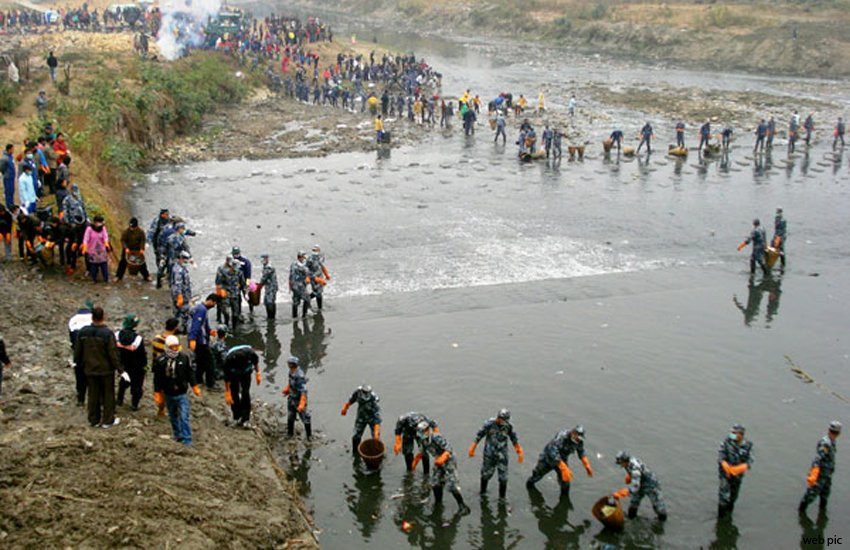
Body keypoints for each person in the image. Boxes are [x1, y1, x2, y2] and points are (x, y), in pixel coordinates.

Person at [73, 306, 127, 428]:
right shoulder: (107, 333)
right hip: (106, 370)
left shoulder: (83, 332)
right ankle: (108, 420)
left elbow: (78, 351)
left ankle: (94, 419)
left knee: (92, 395)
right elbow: (113, 354)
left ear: (92, 317)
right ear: (103, 317)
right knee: (108, 395)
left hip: (90, 369)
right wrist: (120, 370)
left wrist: (77, 363)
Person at [152, 335, 200, 446]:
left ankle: (187, 439)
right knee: (173, 416)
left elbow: (190, 373)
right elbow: (157, 378)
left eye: (176, 346)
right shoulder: (161, 361)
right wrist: (157, 392)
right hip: (168, 393)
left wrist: (194, 386)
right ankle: (178, 435)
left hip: (182, 392)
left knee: (184, 416)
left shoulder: (183, 358)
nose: (174, 349)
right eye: (172, 347)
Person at [468, 408, 524, 498]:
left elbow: (514, 438)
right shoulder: (489, 424)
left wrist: (519, 451)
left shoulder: (508, 426)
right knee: (485, 474)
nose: (503, 421)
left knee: (503, 478)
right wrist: (472, 448)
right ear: (498, 417)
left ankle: (502, 498)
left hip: (502, 455)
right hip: (489, 454)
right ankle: (483, 492)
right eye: (502, 419)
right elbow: (479, 436)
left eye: (505, 420)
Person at [526, 425, 593, 499]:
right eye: (577, 438)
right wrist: (563, 468)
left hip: (562, 460)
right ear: (573, 433)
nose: (578, 441)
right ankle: (529, 490)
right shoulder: (562, 436)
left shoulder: (579, 442)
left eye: (579, 439)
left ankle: (564, 500)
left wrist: (586, 465)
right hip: (548, 459)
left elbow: (581, 451)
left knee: (566, 481)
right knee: (537, 475)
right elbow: (552, 451)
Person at [420, 433, 470, 514]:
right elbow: (421, 453)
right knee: (435, 482)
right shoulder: (422, 441)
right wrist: (414, 465)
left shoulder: (436, 437)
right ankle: (438, 503)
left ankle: (462, 506)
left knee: (451, 484)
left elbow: (449, 450)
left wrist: (443, 458)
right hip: (439, 461)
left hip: (448, 460)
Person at [799, 421, 841, 514]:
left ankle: (822, 513)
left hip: (827, 475)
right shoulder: (826, 443)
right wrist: (813, 474)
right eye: (832, 431)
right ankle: (801, 512)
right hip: (820, 475)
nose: (833, 434)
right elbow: (817, 459)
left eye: (834, 432)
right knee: (811, 495)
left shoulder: (832, 442)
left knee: (825, 495)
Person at [611, 451, 668, 521]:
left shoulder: (635, 470)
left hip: (651, 486)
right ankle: (631, 517)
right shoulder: (630, 460)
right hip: (640, 482)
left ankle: (662, 521)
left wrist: (622, 493)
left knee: (658, 506)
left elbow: (635, 488)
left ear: (625, 461)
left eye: (621, 463)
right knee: (634, 503)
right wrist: (629, 475)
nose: (620, 465)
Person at [717, 423, 753, 517]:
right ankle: (721, 516)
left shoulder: (748, 445)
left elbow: (750, 460)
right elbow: (721, 456)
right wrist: (725, 465)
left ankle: (729, 512)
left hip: (737, 475)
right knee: (723, 495)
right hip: (725, 474)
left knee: (734, 496)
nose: (731, 434)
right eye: (731, 432)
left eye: (734, 433)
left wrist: (741, 468)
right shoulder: (726, 442)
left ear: (740, 434)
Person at [223, 344, 260, 427]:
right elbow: (226, 377)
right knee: (234, 394)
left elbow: (255, 361)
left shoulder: (250, 353)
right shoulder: (229, 360)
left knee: (245, 393)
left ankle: (246, 418)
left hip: (246, 373)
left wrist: (258, 373)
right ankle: (236, 417)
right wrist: (227, 392)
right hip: (234, 374)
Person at [115, 314, 146, 410]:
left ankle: (119, 400)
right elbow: (142, 355)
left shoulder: (117, 335)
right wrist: (145, 366)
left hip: (123, 364)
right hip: (136, 366)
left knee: (123, 382)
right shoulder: (138, 339)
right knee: (136, 386)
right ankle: (134, 405)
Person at [189, 294, 218, 390]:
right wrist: (192, 339)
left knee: (200, 361)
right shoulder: (202, 310)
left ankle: (199, 379)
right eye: (214, 303)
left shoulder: (200, 308)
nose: (214, 306)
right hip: (201, 341)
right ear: (210, 300)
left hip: (200, 339)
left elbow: (204, 325)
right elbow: (196, 325)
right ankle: (211, 384)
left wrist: (210, 331)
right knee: (210, 362)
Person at [341, 384, 381, 451]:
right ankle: (355, 452)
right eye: (364, 393)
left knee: (376, 438)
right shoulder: (358, 393)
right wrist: (345, 407)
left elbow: (377, 416)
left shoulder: (374, 398)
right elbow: (351, 400)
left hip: (372, 419)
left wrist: (377, 430)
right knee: (356, 436)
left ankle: (376, 451)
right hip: (361, 417)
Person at [68, 300, 93, 406]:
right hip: (92, 352)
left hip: (78, 352)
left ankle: (80, 398)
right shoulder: (93, 318)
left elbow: (72, 340)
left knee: (80, 375)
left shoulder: (72, 320)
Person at [282, 355, 311, 439]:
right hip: (291, 398)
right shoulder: (291, 372)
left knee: (305, 417)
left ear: (292, 364)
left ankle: (309, 436)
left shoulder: (299, 376)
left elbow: (304, 391)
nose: (287, 364)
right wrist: (287, 390)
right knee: (290, 416)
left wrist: (302, 404)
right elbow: (290, 382)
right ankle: (290, 433)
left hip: (299, 399)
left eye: (289, 363)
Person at [115, 217, 149, 281]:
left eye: (133, 227)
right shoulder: (126, 231)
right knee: (123, 262)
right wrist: (126, 248)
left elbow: (143, 240)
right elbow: (123, 240)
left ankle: (146, 276)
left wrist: (142, 248)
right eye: (131, 227)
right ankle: (118, 276)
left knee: (142, 263)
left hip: (137, 249)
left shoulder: (141, 232)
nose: (132, 228)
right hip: (128, 249)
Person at [215, 255, 244, 327]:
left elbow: (243, 283)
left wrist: (245, 292)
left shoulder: (239, 273)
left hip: (235, 295)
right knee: (226, 312)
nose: (237, 269)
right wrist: (221, 290)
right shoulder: (224, 272)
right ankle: (226, 324)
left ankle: (234, 328)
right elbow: (218, 282)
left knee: (235, 314)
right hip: (226, 295)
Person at [81, 215, 111, 283]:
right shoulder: (89, 229)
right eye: (98, 222)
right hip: (92, 250)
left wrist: (106, 243)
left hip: (101, 250)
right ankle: (94, 279)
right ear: (95, 222)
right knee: (93, 265)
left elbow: (105, 236)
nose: (100, 224)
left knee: (104, 265)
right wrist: (84, 247)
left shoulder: (103, 228)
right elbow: (85, 239)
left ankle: (106, 279)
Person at [147, 208, 170, 288]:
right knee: (160, 260)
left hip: (168, 244)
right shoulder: (157, 221)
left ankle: (168, 274)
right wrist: (148, 242)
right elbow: (151, 232)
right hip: (158, 244)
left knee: (169, 260)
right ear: (162, 215)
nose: (167, 216)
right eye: (166, 214)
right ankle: (159, 278)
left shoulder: (169, 221)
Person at [171, 251, 192, 333]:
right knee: (184, 312)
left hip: (182, 293)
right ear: (181, 259)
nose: (186, 262)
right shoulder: (178, 270)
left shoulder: (180, 267)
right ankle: (184, 330)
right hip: (181, 295)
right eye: (185, 261)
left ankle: (174, 327)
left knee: (177, 311)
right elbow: (178, 284)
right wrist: (180, 296)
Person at [306, 245, 330, 311]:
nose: (315, 251)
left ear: (319, 250)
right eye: (313, 250)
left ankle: (319, 307)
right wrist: (308, 278)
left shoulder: (321, 256)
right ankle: (307, 299)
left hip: (320, 277)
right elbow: (306, 269)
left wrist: (326, 274)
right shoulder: (309, 259)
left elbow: (321, 265)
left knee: (319, 292)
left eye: (316, 250)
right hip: (313, 277)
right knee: (317, 292)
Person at [289, 250, 311, 319]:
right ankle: (304, 315)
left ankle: (294, 316)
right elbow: (307, 272)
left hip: (294, 286)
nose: (304, 258)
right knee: (307, 299)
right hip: (300, 286)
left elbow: (290, 276)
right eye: (303, 257)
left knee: (295, 301)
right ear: (300, 257)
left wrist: (290, 286)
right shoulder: (302, 266)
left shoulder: (293, 264)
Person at [231, 246, 252, 316]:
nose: (236, 255)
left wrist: (247, 285)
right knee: (237, 299)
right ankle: (239, 312)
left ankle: (251, 311)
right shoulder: (231, 261)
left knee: (248, 297)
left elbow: (248, 275)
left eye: (237, 253)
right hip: (235, 283)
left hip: (244, 282)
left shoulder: (245, 262)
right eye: (234, 254)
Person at [258, 254, 278, 319]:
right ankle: (271, 317)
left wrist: (258, 286)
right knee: (269, 302)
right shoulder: (266, 266)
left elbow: (264, 278)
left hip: (271, 287)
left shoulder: (268, 267)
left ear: (266, 259)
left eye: (263, 259)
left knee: (269, 302)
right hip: (270, 286)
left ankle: (271, 317)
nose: (262, 261)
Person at [1, 144, 15, 208]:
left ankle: (12, 204)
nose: (13, 150)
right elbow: (1, 168)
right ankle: (9, 205)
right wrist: (6, 173)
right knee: (8, 192)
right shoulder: (4, 158)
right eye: (12, 149)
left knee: (12, 191)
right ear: (9, 149)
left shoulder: (10, 157)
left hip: (12, 177)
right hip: (7, 178)